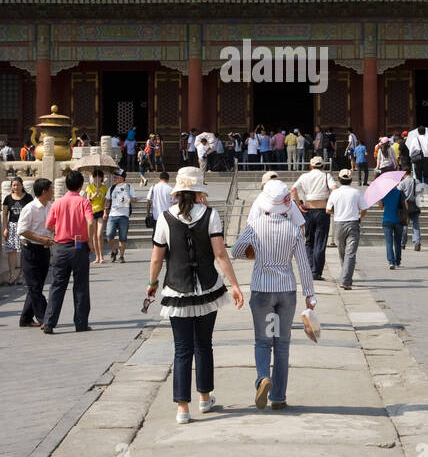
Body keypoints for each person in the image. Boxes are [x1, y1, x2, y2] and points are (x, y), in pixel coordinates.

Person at [146, 167, 243, 424]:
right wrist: (234, 285)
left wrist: (152, 283)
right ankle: (204, 397)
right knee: (204, 345)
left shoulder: (165, 218)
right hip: (208, 288)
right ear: (200, 190)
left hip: (176, 288)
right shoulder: (211, 215)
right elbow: (220, 255)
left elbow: (157, 258)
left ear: (178, 191)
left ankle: (182, 408)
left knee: (182, 350)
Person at [231, 179, 317, 410]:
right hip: (286, 292)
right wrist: (310, 294)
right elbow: (303, 264)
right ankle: (278, 397)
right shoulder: (293, 229)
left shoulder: (255, 225)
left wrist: (254, 254)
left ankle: (262, 378)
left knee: (262, 341)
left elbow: (236, 251)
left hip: (262, 291)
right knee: (282, 345)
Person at [42, 170, 96, 334]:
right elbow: (91, 221)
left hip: (60, 246)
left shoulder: (57, 203)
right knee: (80, 286)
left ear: (66, 185)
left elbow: (48, 226)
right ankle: (80, 323)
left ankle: (49, 322)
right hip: (78, 245)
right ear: (81, 186)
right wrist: (90, 240)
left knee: (57, 285)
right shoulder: (84, 202)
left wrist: (59, 229)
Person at [17, 178, 55, 327]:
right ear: (44, 191)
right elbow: (22, 230)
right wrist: (41, 239)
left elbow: (51, 226)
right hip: (30, 249)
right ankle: (45, 318)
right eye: (51, 189)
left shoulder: (50, 207)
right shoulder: (30, 208)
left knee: (37, 286)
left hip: (44, 250)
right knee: (34, 286)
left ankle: (25, 318)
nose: (52, 192)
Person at [292, 155, 335, 280]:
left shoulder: (304, 176)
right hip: (322, 210)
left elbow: (293, 189)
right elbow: (334, 188)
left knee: (309, 240)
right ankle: (316, 271)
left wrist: (299, 204)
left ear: (311, 166)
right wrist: (330, 203)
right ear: (322, 166)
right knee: (320, 241)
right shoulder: (326, 175)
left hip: (308, 209)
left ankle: (310, 268)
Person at [327, 169, 367, 289]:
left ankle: (345, 277)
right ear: (351, 180)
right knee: (350, 253)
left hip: (339, 224)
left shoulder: (335, 193)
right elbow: (364, 209)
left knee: (342, 252)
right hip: (353, 223)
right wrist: (360, 217)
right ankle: (346, 278)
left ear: (339, 180)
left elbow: (328, 210)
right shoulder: (356, 192)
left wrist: (337, 212)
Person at [1, 176, 33, 285]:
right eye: (14, 185)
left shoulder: (28, 198)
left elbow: (31, 213)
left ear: (22, 185)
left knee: (24, 250)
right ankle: (12, 275)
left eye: (18, 185)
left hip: (24, 226)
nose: (16, 187)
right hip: (12, 226)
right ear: (11, 186)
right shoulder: (8, 198)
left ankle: (21, 274)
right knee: (11, 251)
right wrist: (5, 228)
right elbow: (5, 214)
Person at [104, 168, 136, 263]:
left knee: (123, 238)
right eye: (114, 176)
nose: (115, 178)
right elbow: (107, 201)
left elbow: (135, 199)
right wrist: (105, 212)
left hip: (124, 215)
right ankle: (114, 251)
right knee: (109, 236)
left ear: (122, 177)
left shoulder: (129, 187)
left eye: (117, 176)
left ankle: (121, 256)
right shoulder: (111, 188)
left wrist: (126, 200)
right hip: (112, 215)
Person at [379, 173, 408, 270]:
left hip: (387, 220)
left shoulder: (384, 193)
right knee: (397, 241)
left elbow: (381, 207)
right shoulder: (400, 193)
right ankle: (398, 261)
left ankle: (391, 262)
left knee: (389, 242)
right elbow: (406, 206)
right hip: (398, 220)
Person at [84, 169, 109, 263]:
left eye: (98, 177)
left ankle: (102, 255)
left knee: (99, 234)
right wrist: (93, 196)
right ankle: (97, 256)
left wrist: (106, 211)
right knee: (94, 235)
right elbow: (87, 202)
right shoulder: (89, 187)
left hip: (100, 211)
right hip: (92, 212)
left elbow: (107, 201)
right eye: (95, 177)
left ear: (102, 178)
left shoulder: (104, 188)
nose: (97, 178)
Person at [397, 168, 423, 252]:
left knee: (404, 225)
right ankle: (417, 243)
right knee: (415, 225)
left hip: (405, 205)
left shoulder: (402, 183)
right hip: (415, 205)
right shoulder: (417, 181)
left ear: (404, 173)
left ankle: (402, 244)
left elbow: (399, 194)